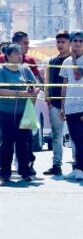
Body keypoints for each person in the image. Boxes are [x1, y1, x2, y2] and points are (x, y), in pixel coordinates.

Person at [0, 43, 40, 184]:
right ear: (8, 56)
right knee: (7, 143)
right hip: (6, 112)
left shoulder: (25, 70)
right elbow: (1, 90)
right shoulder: (1, 71)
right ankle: (4, 173)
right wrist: (19, 93)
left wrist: (33, 90)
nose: (19, 55)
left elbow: (35, 85)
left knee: (23, 143)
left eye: (20, 53)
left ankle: (25, 172)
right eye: (16, 53)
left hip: (24, 112)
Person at [59, 31, 83, 181]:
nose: (78, 44)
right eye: (75, 41)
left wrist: (73, 59)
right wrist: (62, 106)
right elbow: (65, 84)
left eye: (81, 41)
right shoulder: (66, 61)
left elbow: (78, 75)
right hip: (70, 104)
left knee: (81, 137)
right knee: (73, 137)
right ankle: (76, 167)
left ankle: (81, 169)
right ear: (71, 42)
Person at [43, 30, 72, 176]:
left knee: (74, 136)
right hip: (54, 103)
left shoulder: (74, 60)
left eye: (63, 42)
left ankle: (78, 165)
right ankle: (56, 164)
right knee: (57, 135)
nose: (60, 45)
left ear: (69, 43)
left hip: (72, 104)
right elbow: (47, 81)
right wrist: (48, 100)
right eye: (58, 42)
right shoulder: (52, 61)